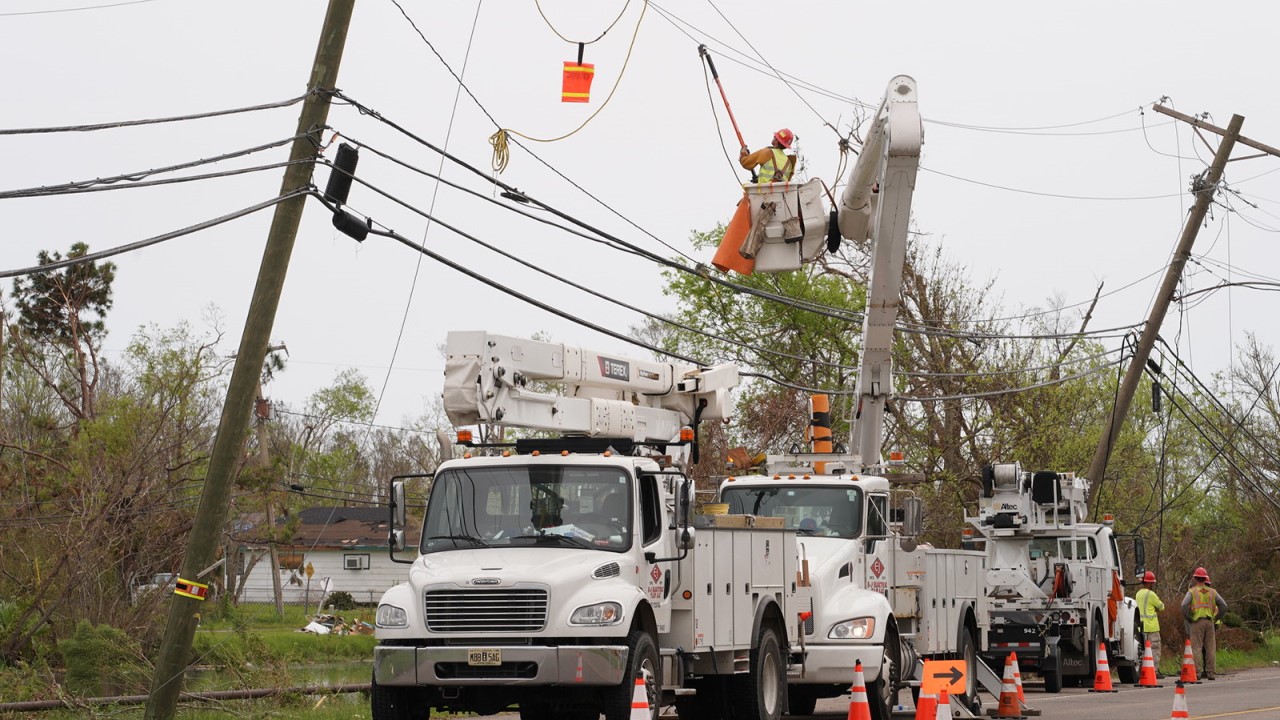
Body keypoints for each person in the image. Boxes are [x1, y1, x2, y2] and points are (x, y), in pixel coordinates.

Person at [1181, 566, 1228, 680]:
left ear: (1195, 578)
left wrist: (1189, 618)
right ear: (1205, 578)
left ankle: (1197, 672)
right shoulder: (1212, 592)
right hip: (1209, 622)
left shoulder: (1192, 591)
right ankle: (1211, 672)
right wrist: (1215, 618)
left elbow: (1183, 605)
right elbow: (1224, 606)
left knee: (1196, 648)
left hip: (1197, 622)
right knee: (1210, 648)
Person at [1134, 570, 1165, 675]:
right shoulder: (1152, 594)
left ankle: (1144, 671)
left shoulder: (1138, 594)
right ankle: (1154, 671)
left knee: (1142, 651)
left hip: (1141, 627)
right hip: (1152, 627)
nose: (1152, 584)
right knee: (1155, 649)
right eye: (1152, 582)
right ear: (1149, 582)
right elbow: (1161, 607)